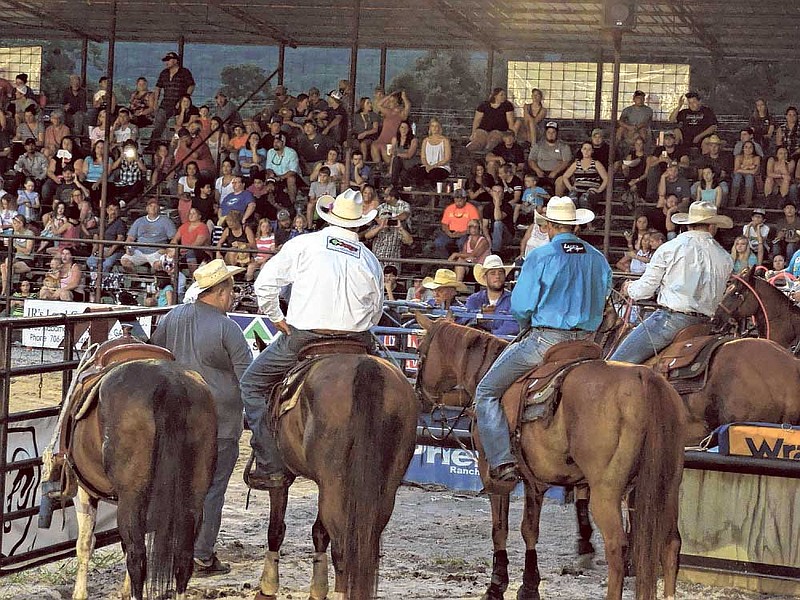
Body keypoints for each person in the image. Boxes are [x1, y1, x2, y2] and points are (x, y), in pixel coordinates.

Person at [241, 188, 383, 488]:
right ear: (359, 223)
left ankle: (270, 462)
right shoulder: (370, 259)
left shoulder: (304, 244)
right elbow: (375, 311)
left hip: (306, 337)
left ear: (329, 217)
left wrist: (276, 318)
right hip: (356, 341)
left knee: (252, 384)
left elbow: (264, 284)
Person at [475, 196, 612, 483]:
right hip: (589, 345)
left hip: (547, 342)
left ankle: (502, 461)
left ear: (549, 225)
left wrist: (527, 326)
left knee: (486, 391)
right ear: (576, 226)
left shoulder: (541, 256)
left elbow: (522, 305)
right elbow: (605, 296)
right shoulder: (598, 259)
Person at [151, 259, 253, 576]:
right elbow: (248, 378)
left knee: (177, 484)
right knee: (212, 488)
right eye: (231, 291)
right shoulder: (227, 327)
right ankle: (201, 553)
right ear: (221, 292)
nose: (233, 297)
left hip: (176, 418)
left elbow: (155, 355)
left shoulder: (171, 318)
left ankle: (168, 547)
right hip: (219, 421)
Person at [610, 201, 734, 364]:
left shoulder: (671, 248)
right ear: (713, 227)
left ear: (689, 225)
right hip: (706, 326)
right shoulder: (725, 257)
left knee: (616, 364)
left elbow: (645, 290)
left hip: (671, 321)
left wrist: (629, 288)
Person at [462, 255, 519, 336]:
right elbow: (463, 321)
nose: (497, 276)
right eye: (493, 273)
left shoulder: (514, 300)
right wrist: (478, 318)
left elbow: (513, 326)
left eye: (500, 273)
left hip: (503, 345)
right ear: (485, 277)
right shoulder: (474, 299)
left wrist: (488, 336)